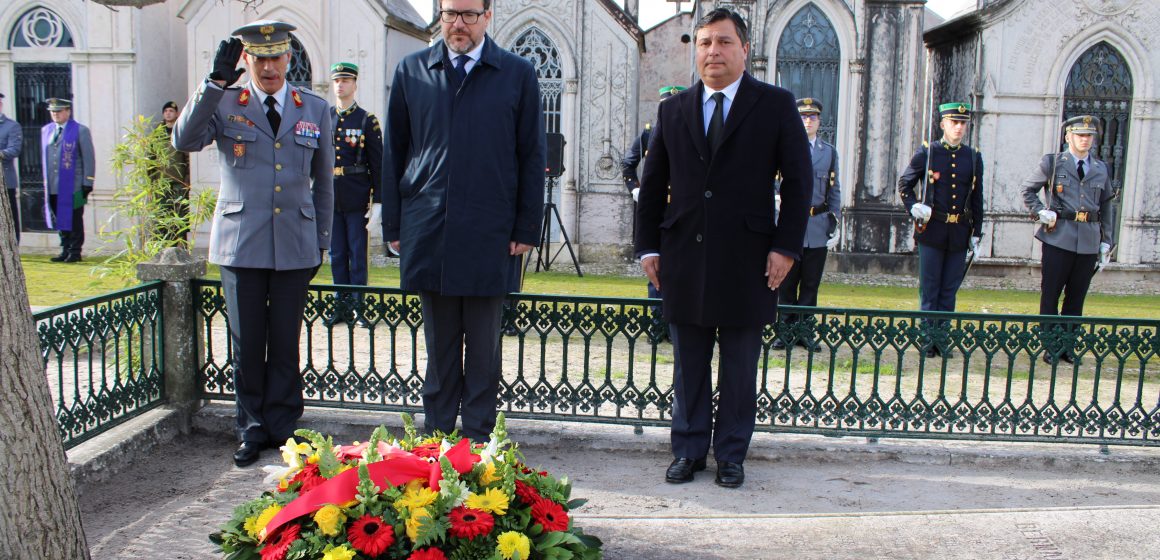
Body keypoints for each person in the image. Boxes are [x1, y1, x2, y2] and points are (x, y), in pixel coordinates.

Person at [634, 8, 812, 488]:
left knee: (738, 365)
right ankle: (688, 449)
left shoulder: (774, 105)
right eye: (705, 42)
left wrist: (786, 248)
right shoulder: (673, 110)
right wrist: (647, 247)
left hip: (749, 260)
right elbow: (653, 187)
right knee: (689, 365)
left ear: (745, 49)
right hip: (684, 258)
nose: (714, 51)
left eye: (724, 42)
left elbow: (799, 182)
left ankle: (731, 453)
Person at [173, 20, 334, 467]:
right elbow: (183, 139)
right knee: (246, 343)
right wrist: (213, 83)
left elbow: (324, 183)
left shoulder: (314, 108)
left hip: (295, 244)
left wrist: (321, 238)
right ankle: (250, 428)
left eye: (276, 57)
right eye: (259, 58)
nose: (268, 67)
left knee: (285, 342)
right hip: (240, 244)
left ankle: (284, 429)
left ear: (289, 59)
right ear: (247, 60)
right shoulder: (225, 103)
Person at [382, 0, 546, 441]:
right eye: (451, 13)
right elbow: (395, 150)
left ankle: (476, 440)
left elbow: (532, 155)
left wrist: (526, 227)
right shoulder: (412, 70)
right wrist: (394, 226)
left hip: (490, 231)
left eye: (469, 14)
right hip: (429, 227)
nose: (458, 23)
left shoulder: (515, 73)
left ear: (488, 17)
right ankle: (435, 439)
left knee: (483, 348)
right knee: (439, 346)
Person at [1021, 115, 1116, 365]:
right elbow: (1027, 190)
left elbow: (1106, 206)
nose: (1085, 140)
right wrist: (1040, 211)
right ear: (1068, 137)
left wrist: (1107, 241)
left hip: (1088, 240)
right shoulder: (1053, 163)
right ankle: (1050, 345)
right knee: (1051, 294)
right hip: (1058, 237)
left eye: (1089, 136)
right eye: (1080, 135)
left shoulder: (1100, 168)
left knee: (1076, 296)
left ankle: (1068, 346)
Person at [897, 102, 984, 357]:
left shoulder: (973, 156)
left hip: (959, 231)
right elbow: (905, 183)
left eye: (962, 123)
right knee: (931, 287)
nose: (958, 127)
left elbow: (977, 196)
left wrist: (977, 232)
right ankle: (927, 339)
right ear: (943, 124)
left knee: (949, 289)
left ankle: (941, 339)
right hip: (932, 229)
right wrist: (913, 206)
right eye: (953, 122)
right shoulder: (929, 152)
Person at [772, 97, 841, 352]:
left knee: (811, 283)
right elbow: (772, 184)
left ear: (819, 121)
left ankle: (805, 332)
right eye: (804, 117)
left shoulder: (829, 152)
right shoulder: (784, 148)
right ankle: (785, 332)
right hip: (790, 225)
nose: (808, 121)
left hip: (818, 224)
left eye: (813, 117)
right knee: (786, 283)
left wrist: (835, 220)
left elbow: (834, 190)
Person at [622, 85, 684, 340]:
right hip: (656, 209)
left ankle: (674, 323)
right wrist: (635, 189)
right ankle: (657, 325)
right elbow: (628, 164)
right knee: (654, 267)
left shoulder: (687, 133)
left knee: (680, 269)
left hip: (678, 209)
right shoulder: (649, 134)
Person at [326, 62, 383, 328]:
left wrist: (379, 202)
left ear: (355, 84)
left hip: (357, 195)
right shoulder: (324, 117)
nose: (341, 85)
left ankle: (359, 306)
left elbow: (378, 163)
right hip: (331, 196)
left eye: (346, 81)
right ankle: (341, 306)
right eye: (337, 81)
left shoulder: (365, 120)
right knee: (336, 254)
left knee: (357, 253)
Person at [41, 98, 95, 263]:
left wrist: (88, 181)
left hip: (75, 185)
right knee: (59, 218)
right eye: (52, 111)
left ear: (68, 111)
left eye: (58, 111)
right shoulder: (47, 130)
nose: (55, 114)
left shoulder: (80, 130)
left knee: (75, 219)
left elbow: (88, 158)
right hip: (53, 185)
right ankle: (64, 249)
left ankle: (75, 251)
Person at [157, 100, 191, 244]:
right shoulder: (157, 134)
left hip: (179, 182)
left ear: (177, 114)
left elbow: (188, 158)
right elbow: (151, 158)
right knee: (163, 215)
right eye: (166, 111)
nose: (168, 113)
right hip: (162, 182)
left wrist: (187, 181)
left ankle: (180, 245)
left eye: (171, 111)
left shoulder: (181, 132)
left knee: (180, 214)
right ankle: (165, 245)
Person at [0, 93, 20, 242]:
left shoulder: (11, 126)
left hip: (5, 180)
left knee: (9, 217)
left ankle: (13, 245)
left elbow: (14, 149)